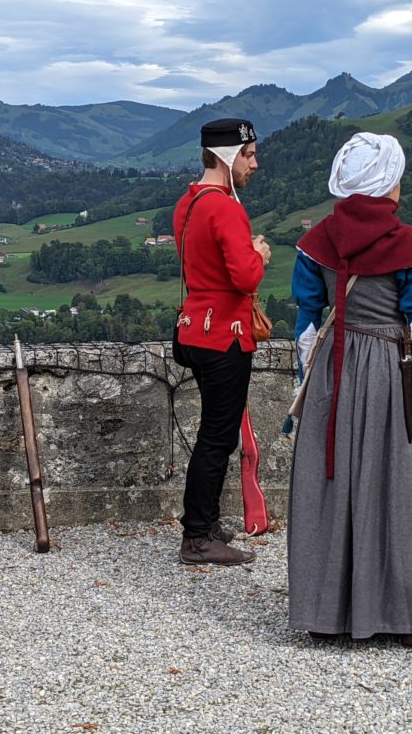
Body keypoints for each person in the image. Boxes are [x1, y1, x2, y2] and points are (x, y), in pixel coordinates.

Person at [287, 132, 412, 647]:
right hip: (390, 369)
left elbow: (306, 325)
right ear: (388, 183)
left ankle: (327, 613)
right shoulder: (408, 246)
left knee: (333, 483)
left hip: (332, 372)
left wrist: (311, 386)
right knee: (399, 484)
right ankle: (409, 616)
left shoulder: (315, 241)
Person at [173, 118, 271, 566]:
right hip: (224, 337)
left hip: (194, 327)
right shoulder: (227, 208)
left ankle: (206, 522)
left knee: (214, 434)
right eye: (248, 155)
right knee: (216, 437)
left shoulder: (188, 203)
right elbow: (245, 275)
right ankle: (197, 536)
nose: (254, 163)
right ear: (229, 156)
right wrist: (260, 254)